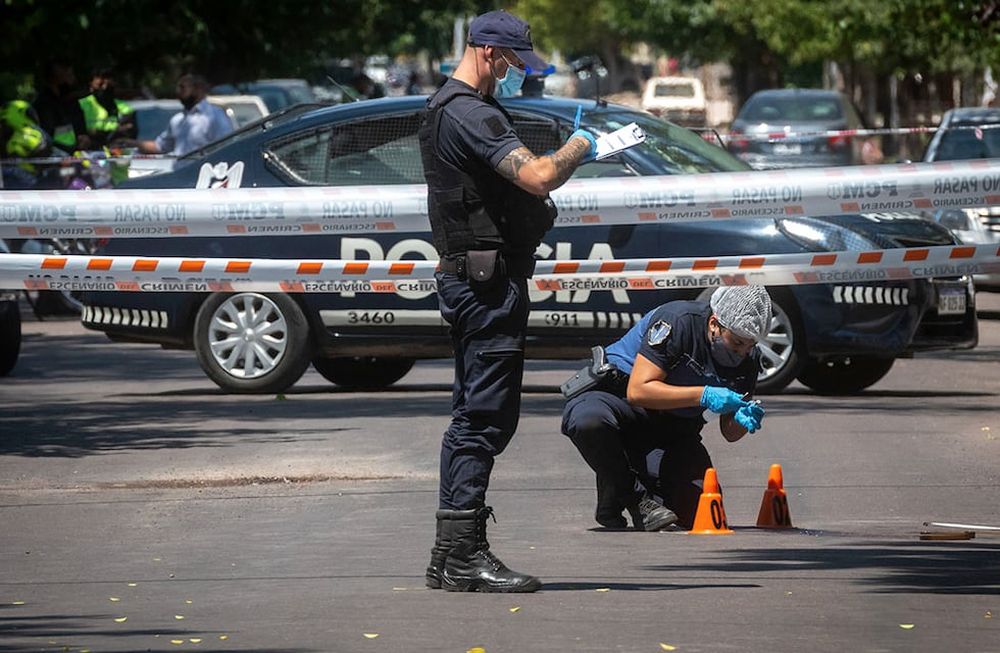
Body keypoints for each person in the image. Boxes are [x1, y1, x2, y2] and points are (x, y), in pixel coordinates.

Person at [419, 9, 598, 594]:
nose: (519, 73)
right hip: (485, 287)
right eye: (516, 63)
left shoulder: (448, 107)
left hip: (476, 280)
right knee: (485, 420)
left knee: (473, 418)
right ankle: (463, 555)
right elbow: (540, 175)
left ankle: (451, 554)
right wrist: (580, 146)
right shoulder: (469, 112)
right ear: (490, 53)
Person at [561, 286, 772, 531]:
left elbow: (730, 433)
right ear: (715, 324)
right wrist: (702, 394)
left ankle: (616, 481)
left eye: (750, 345)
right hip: (620, 401)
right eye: (736, 343)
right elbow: (638, 391)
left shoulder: (749, 360)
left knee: (699, 509)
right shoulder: (678, 322)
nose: (742, 352)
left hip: (672, 428)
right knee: (588, 421)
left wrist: (743, 419)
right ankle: (634, 498)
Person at [133, 74, 232, 156]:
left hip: (203, 176)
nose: (178, 92)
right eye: (178, 87)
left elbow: (225, 147)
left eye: (182, 87)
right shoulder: (177, 120)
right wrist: (133, 143)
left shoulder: (215, 116)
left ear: (199, 89)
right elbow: (161, 146)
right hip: (179, 175)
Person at [32, 59, 90, 152]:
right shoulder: (43, 105)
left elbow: (80, 129)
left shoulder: (71, 102)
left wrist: (83, 137)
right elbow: (46, 138)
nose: (73, 80)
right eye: (68, 76)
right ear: (55, 80)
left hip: (75, 156)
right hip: (55, 158)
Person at [78, 67, 136, 149]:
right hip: (88, 152)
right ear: (91, 85)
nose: (104, 88)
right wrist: (115, 130)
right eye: (100, 85)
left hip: (116, 152)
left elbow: (128, 132)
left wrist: (96, 132)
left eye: (108, 85)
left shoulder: (124, 107)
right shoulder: (82, 104)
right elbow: (79, 134)